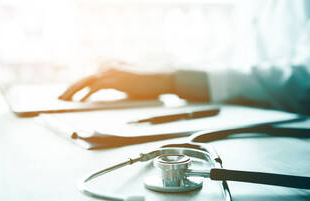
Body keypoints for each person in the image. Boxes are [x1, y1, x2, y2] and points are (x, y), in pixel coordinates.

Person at [59, 0, 310, 115]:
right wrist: (154, 71)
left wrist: (172, 81)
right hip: (253, 130)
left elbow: (303, 84)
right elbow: (238, 63)